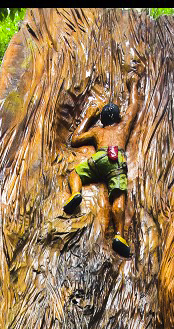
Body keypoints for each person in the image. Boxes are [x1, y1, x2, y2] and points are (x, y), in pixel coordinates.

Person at [63, 68, 143, 257]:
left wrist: (89, 116)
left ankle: (75, 193)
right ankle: (119, 235)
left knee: (75, 173)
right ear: (117, 117)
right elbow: (133, 107)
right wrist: (133, 85)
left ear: (103, 119)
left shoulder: (98, 131)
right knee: (118, 196)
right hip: (116, 159)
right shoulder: (122, 127)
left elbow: (75, 139)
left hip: (99, 158)